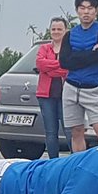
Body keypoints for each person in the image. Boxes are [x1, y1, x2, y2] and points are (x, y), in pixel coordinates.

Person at [59, 0, 98, 153]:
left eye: (90, 8)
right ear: (77, 11)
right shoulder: (70, 34)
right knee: (76, 131)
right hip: (71, 87)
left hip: (93, 87)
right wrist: (89, 53)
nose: (86, 12)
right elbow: (64, 61)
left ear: (96, 11)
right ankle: (79, 164)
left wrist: (78, 58)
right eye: (82, 8)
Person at [35, 17, 70, 159]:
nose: (56, 32)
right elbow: (39, 64)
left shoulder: (70, 48)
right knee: (50, 132)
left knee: (69, 131)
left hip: (66, 95)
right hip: (46, 96)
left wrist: (49, 68)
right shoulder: (44, 48)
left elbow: (69, 68)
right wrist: (59, 64)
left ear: (65, 31)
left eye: (59, 29)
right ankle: (53, 162)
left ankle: (74, 160)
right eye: (53, 29)